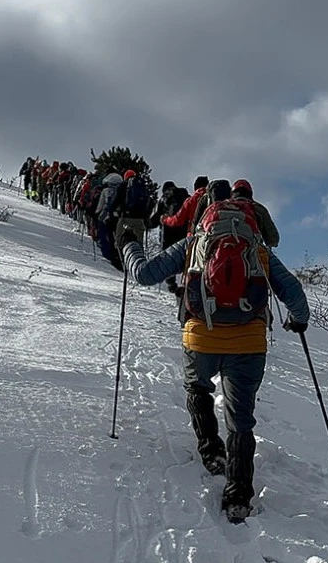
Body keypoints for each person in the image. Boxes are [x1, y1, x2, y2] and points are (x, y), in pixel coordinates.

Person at [117, 179, 310, 524]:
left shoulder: (195, 243)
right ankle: (238, 493)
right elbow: (294, 293)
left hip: (201, 337)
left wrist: (129, 244)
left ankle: (211, 451)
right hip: (248, 342)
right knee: (241, 419)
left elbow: (145, 275)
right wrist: (298, 321)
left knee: (198, 388)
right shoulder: (258, 249)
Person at [149, 180, 189, 293]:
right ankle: (186, 282)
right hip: (184, 231)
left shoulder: (164, 197)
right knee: (185, 256)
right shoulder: (186, 196)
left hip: (168, 232)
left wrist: (148, 224)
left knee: (168, 256)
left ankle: (171, 285)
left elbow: (154, 218)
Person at [230, 179, 279, 248]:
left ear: (232, 194)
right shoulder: (258, 208)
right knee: (272, 258)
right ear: (250, 194)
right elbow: (273, 240)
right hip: (251, 250)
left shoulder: (220, 207)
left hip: (221, 250)